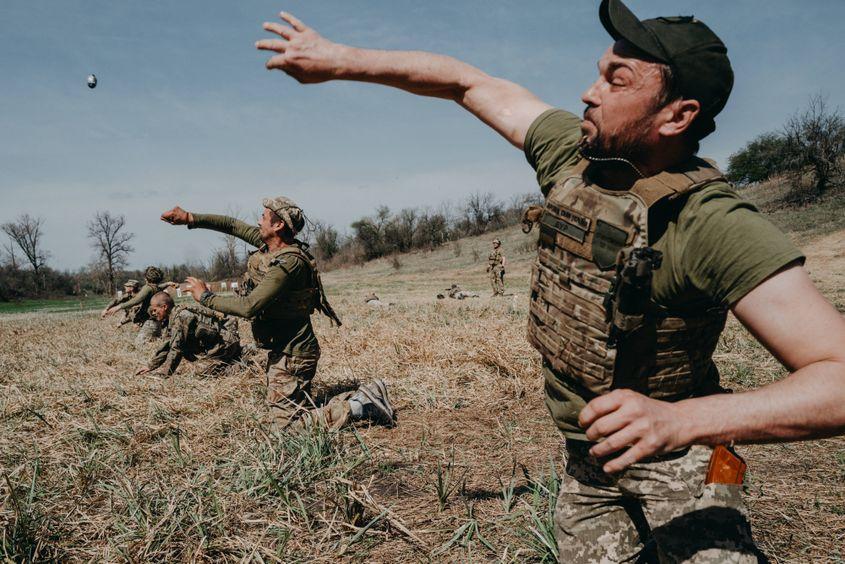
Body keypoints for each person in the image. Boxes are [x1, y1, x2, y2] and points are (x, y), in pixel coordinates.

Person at [255, 2, 845, 561]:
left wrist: (682, 421)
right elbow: (468, 83)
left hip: (691, 455)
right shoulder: (573, 157)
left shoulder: (712, 223)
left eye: (618, 80)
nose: (589, 92)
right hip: (589, 460)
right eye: (598, 74)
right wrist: (338, 61)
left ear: (678, 115)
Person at [160, 199, 396, 431]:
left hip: (293, 355)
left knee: (286, 429)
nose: (258, 221)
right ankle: (364, 396)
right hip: (283, 351)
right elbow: (232, 225)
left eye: (263, 217)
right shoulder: (270, 246)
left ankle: (362, 405)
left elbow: (250, 306)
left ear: (278, 226)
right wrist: (189, 218)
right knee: (290, 411)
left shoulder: (290, 264)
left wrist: (205, 297)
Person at [135, 292, 242, 377]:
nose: (153, 313)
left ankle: (239, 365)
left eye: (154, 310)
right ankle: (233, 357)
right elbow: (168, 345)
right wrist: (151, 366)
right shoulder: (174, 317)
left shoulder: (182, 317)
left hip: (226, 345)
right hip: (221, 345)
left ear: (164, 307)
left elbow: (176, 348)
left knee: (203, 375)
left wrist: (165, 374)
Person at [103, 266, 176, 345]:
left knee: (140, 343)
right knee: (156, 339)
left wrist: (119, 307)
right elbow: (160, 286)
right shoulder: (155, 287)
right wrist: (168, 283)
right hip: (155, 319)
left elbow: (136, 300)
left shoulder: (147, 288)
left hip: (150, 320)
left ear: (147, 278)